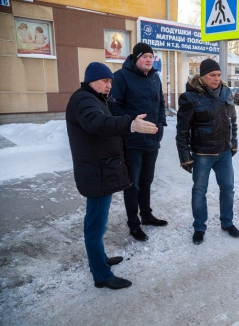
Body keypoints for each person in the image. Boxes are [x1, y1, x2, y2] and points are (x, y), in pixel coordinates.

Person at [66, 62, 158, 289]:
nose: (110, 86)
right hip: (95, 172)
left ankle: (100, 259)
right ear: (92, 81)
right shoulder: (84, 100)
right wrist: (130, 124)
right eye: (106, 81)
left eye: (111, 82)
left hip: (100, 170)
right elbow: (98, 123)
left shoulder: (95, 99)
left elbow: (104, 123)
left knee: (99, 222)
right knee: (95, 224)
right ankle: (101, 275)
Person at [176, 58, 239, 245]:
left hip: (224, 153)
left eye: (219, 75)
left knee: (228, 189)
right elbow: (182, 131)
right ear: (202, 77)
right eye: (212, 75)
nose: (217, 78)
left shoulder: (227, 93)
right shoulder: (190, 97)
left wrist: (233, 143)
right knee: (199, 192)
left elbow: (233, 121)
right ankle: (199, 227)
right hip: (202, 154)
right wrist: (185, 157)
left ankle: (227, 222)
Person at [111, 42, 167, 242]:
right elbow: (114, 108)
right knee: (132, 184)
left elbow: (160, 103)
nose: (149, 60)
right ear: (135, 58)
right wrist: (132, 123)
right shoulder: (121, 77)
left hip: (152, 139)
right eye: (145, 57)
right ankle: (133, 224)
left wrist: (161, 124)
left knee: (146, 182)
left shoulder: (155, 78)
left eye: (151, 57)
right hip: (132, 141)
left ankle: (146, 215)